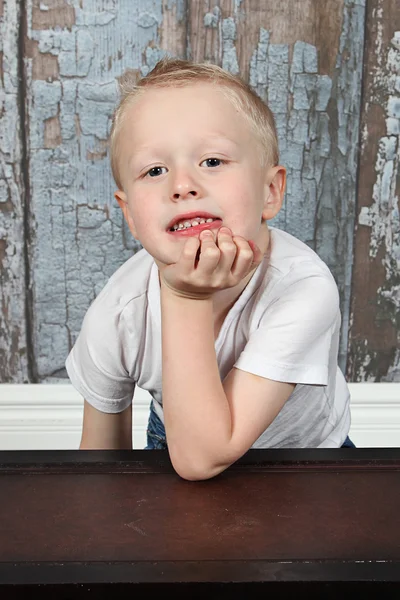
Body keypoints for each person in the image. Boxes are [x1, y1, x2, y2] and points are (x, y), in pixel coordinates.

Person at [65, 58, 354, 481]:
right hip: (178, 441)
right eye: (155, 170)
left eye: (213, 161)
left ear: (270, 191)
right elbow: (101, 464)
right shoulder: (120, 310)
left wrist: (186, 297)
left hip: (302, 458)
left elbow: (204, 458)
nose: (182, 184)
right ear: (129, 214)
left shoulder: (302, 288)